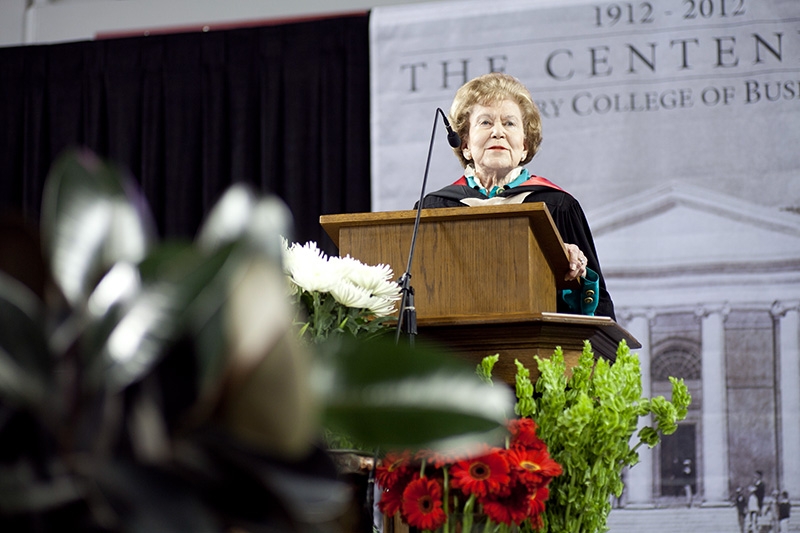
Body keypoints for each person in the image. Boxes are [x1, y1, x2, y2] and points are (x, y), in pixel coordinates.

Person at [418, 73, 615, 319]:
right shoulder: (434, 208)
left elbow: (599, 310)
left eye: (509, 123)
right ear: (465, 144)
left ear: (524, 146)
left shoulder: (556, 206)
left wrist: (578, 273)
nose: (498, 132)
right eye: (485, 122)